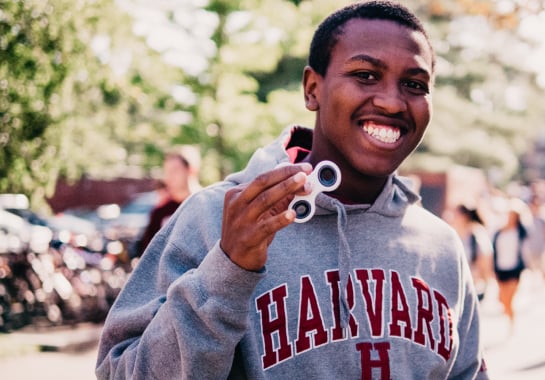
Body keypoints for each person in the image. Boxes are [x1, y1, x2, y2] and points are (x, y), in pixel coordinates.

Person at [96, 2, 489, 379]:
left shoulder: (441, 246)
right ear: (312, 89)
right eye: (366, 75)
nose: (391, 101)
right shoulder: (215, 217)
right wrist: (227, 270)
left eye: (414, 84)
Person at [135, 146, 202, 258]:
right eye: (166, 171)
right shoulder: (160, 212)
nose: (169, 177)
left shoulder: (207, 205)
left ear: (191, 170)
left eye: (175, 170)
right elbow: (149, 256)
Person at [492, 199, 528, 326]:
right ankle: (509, 317)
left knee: (509, 299)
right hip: (501, 268)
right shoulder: (499, 232)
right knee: (502, 299)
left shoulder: (521, 232)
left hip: (514, 269)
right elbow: (493, 250)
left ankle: (512, 323)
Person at [450, 204, 494, 301]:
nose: (452, 217)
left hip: (474, 286)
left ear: (464, 216)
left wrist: (485, 281)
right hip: (456, 285)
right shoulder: (453, 234)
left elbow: (485, 258)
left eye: (456, 214)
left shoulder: (477, 235)